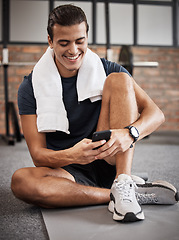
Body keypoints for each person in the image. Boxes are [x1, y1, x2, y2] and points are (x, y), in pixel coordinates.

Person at [11, 4, 165, 222]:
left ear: (86, 37)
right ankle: (120, 194)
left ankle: (122, 180)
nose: (73, 50)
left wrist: (130, 133)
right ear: (50, 41)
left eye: (79, 41)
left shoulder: (107, 68)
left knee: (120, 80)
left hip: (108, 156)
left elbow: (156, 114)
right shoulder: (30, 87)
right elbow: (38, 156)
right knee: (21, 181)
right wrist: (73, 154)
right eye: (64, 43)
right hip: (67, 171)